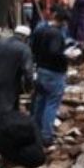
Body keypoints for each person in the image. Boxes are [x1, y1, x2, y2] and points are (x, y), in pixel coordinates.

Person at [30, 8, 68, 148]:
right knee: (51, 104)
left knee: (40, 101)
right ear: (63, 21)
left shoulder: (41, 30)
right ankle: (46, 135)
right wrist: (65, 56)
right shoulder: (56, 34)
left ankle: (34, 130)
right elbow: (54, 52)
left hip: (41, 70)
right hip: (54, 72)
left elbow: (33, 47)